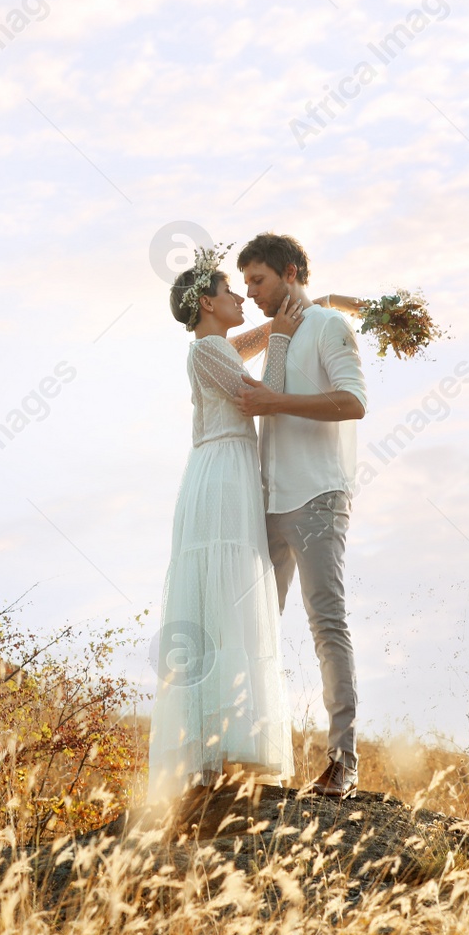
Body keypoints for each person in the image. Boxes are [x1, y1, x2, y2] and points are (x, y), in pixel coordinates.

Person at [146, 246, 305, 803]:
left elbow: (244, 347)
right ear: (208, 303)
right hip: (220, 478)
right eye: (231, 291)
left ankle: (224, 747)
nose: (243, 296)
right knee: (222, 596)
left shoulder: (214, 346)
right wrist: (282, 337)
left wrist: (294, 316)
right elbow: (264, 397)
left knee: (227, 598)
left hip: (228, 471)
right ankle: (214, 751)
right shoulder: (207, 351)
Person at [231, 233, 367, 799]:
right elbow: (227, 349)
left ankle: (344, 763)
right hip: (269, 500)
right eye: (245, 285)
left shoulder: (332, 327)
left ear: (289, 271)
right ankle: (248, 754)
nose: (252, 293)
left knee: (325, 624)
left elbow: (353, 402)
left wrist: (274, 401)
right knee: (255, 626)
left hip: (317, 497)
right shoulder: (282, 332)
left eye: (259, 281)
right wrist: (285, 320)